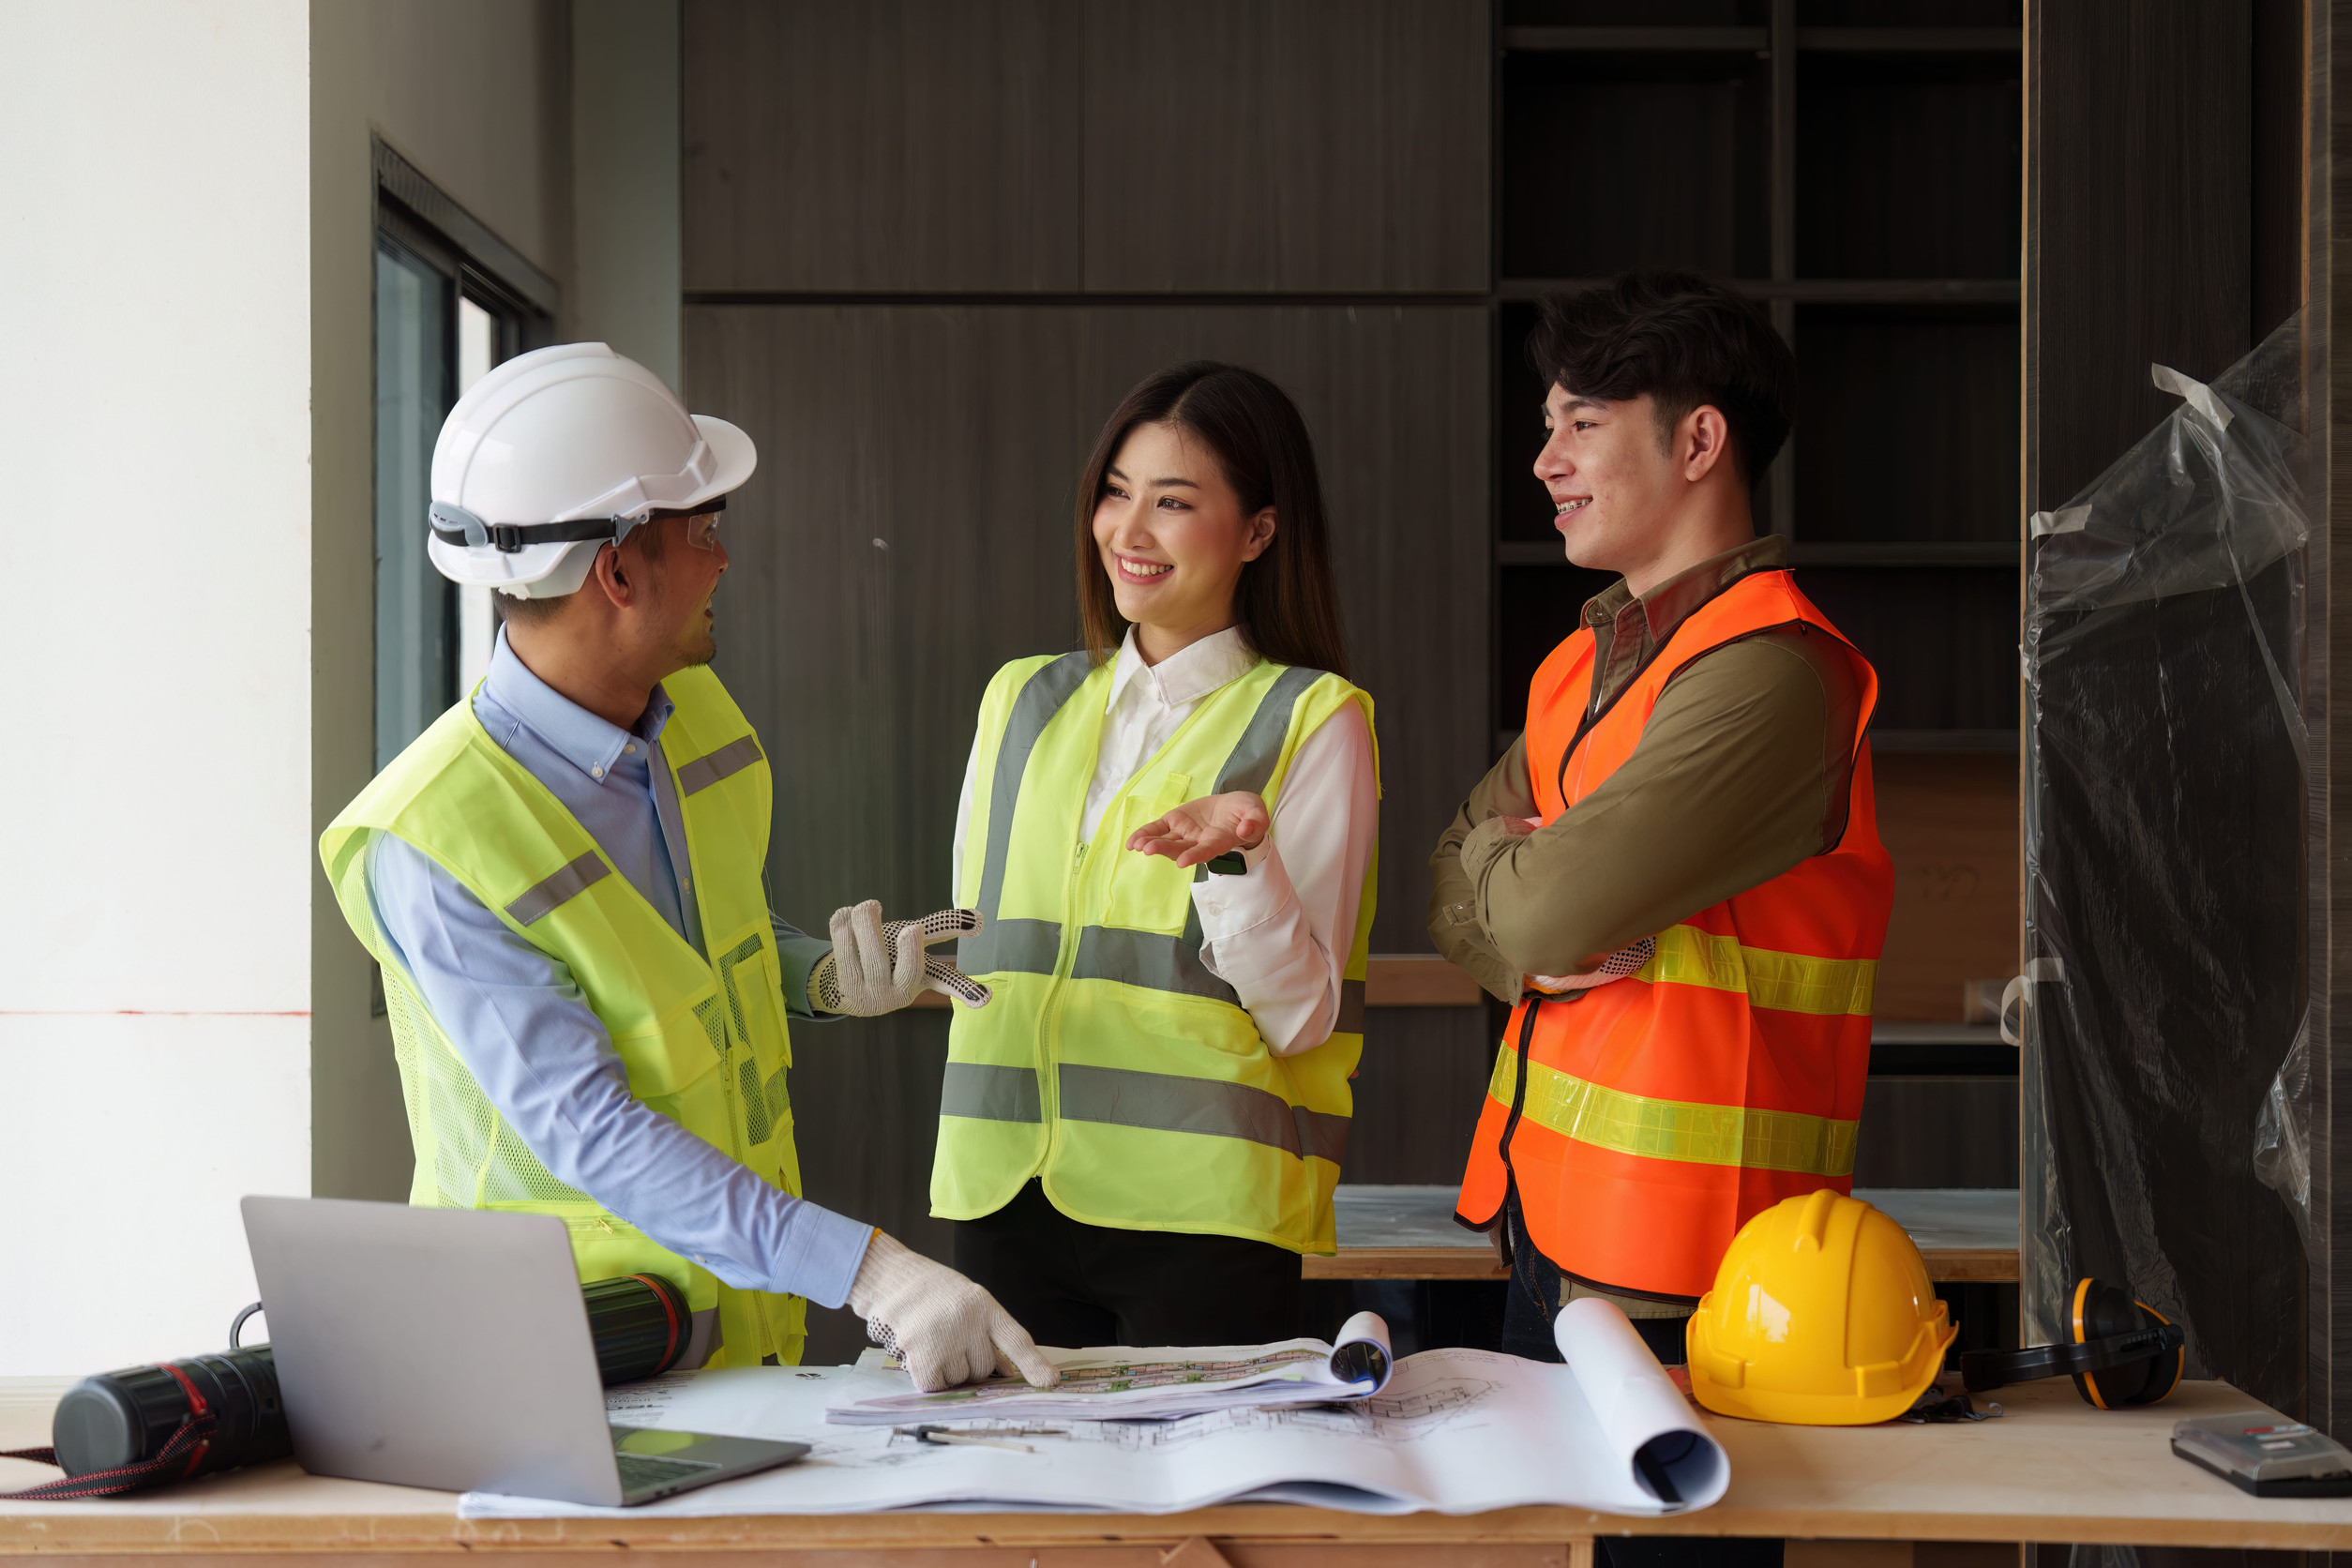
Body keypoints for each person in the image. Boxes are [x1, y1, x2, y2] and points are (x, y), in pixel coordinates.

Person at [319, 342, 1056, 1394]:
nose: (722, 559)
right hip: (560, 1362)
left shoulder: (692, 721)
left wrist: (820, 977)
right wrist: (871, 1271)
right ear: (617, 570)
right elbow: (591, 1130)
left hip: (734, 1343)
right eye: (704, 530)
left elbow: (703, 960)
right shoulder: (435, 840)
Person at [1434, 274, 1894, 1367]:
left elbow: (1533, 913)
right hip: (1548, 1226)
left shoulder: (1772, 674)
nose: (1546, 460)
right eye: (1547, 426)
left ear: (1698, 442)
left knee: (1667, 1545)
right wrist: (1513, 896)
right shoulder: (1581, 665)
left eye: (1582, 424)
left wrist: (1510, 877)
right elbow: (1445, 885)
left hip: (1698, 1268)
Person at [933, 361, 1380, 1347]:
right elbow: (987, 943)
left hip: (1202, 1209)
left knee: (1198, 1508)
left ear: (1259, 531)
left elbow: (1303, 1018)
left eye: (1173, 503)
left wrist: (1238, 860)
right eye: (1115, 494)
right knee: (1027, 1504)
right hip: (1003, 1190)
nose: (1128, 532)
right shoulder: (1021, 701)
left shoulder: (1311, 718)